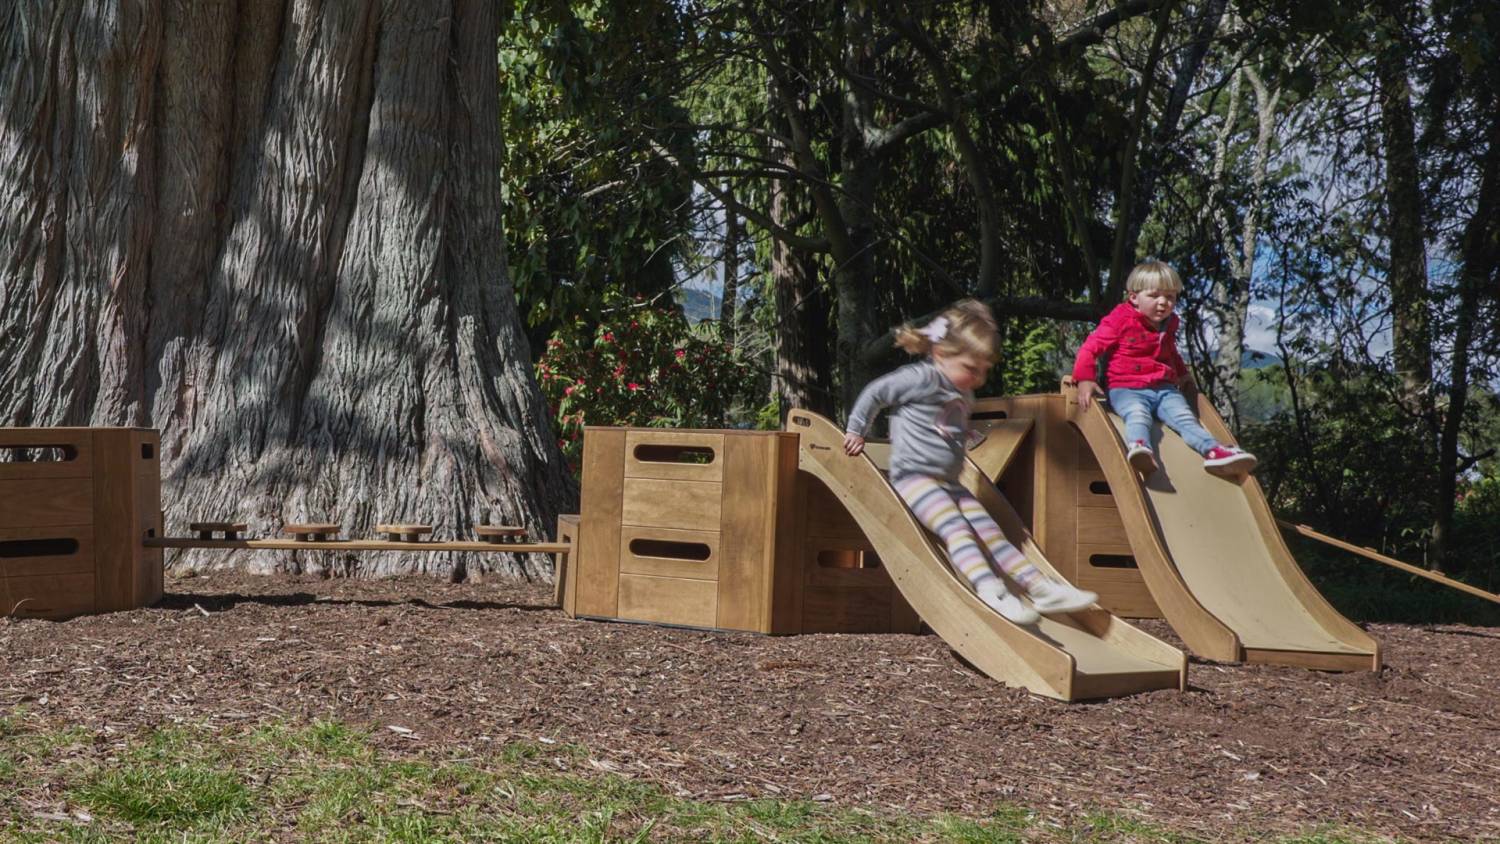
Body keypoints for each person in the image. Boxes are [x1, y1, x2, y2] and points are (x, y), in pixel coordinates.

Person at [843, 300, 1097, 624]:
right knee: (955, 528)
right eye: (971, 368)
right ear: (940, 354)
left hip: (948, 482)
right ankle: (990, 590)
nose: (978, 378)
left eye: (983, 370)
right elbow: (875, 393)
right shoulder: (921, 377)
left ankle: (1038, 587)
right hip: (913, 478)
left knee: (991, 529)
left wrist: (966, 439)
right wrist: (856, 430)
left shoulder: (962, 389)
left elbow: (946, 427)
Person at [1072, 260, 1256, 476]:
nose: (1163, 303)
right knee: (1137, 413)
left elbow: (1170, 352)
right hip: (1126, 387)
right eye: (1154, 296)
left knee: (1185, 418)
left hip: (1164, 390)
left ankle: (1214, 451)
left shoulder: (1168, 324)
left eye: (1170, 297)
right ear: (1134, 297)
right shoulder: (1120, 319)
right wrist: (1085, 379)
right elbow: (1090, 348)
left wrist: (1183, 374)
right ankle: (1139, 447)